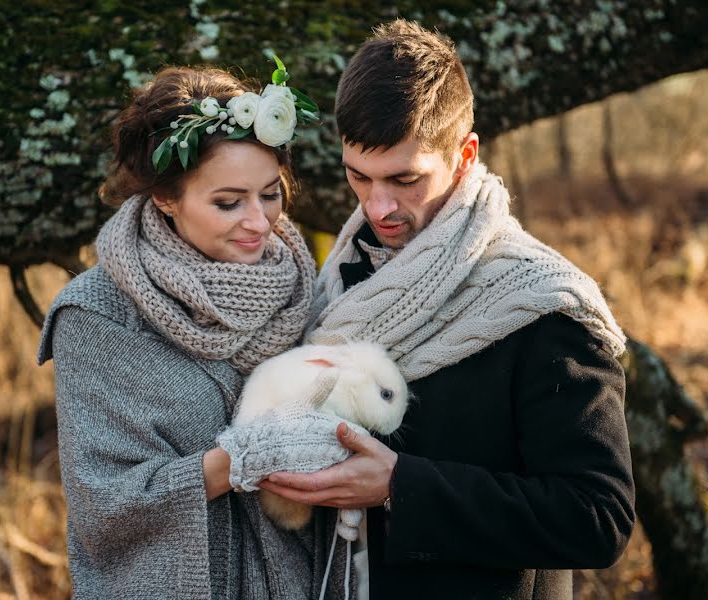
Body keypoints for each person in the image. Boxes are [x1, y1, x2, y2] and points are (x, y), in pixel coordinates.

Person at [260, 20, 636, 599]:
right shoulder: (340, 278)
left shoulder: (544, 305)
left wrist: (398, 486)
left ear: (465, 156)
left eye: (405, 179)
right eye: (358, 177)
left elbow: (597, 517)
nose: (378, 206)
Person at [37, 65, 349, 598]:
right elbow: (103, 506)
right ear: (165, 198)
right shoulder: (98, 317)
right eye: (228, 203)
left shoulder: (307, 288)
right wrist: (235, 462)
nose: (258, 221)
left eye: (270, 194)